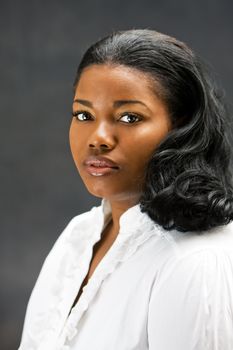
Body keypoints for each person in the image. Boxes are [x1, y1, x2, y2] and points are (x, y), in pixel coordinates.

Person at [19, 29, 233, 350]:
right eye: (84, 114)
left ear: (182, 126)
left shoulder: (193, 261)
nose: (98, 138)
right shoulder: (78, 237)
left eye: (129, 117)